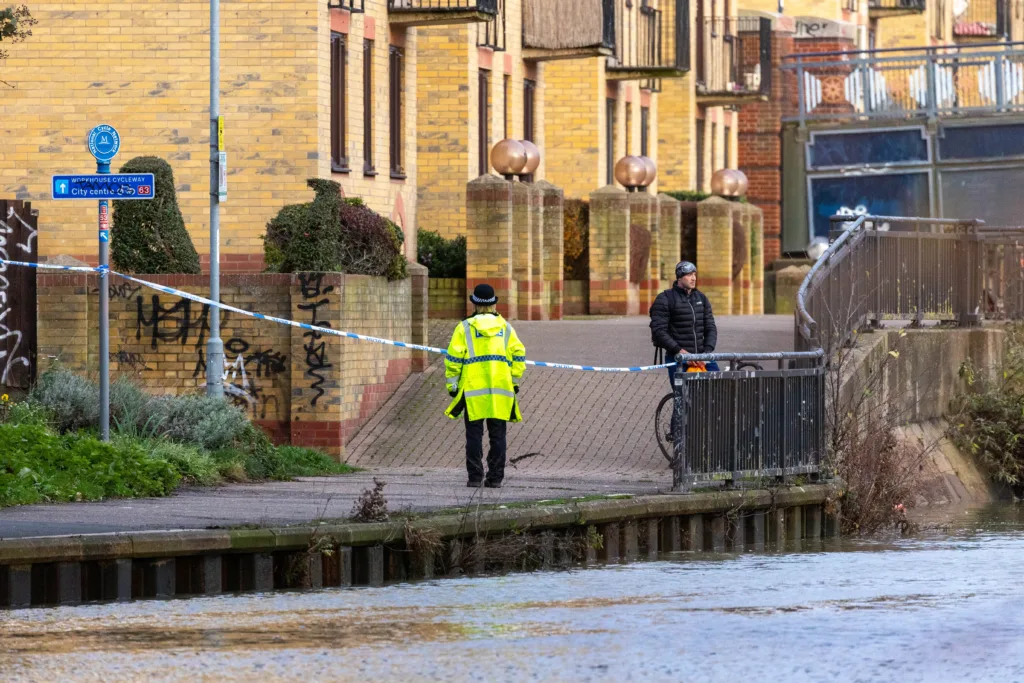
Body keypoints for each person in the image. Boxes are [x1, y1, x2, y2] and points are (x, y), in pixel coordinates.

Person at [444, 283, 526, 489]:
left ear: (475, 304)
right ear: (493, 303)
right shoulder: (505, 327)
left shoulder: (464, 328)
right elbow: (519, 354)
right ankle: (496, 478)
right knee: (498, 436)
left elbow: (453, 359)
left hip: (473, 390)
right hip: (501, 390)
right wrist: (514, 381)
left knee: (474, 435)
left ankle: (474, 477)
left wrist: (452, 385)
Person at [649, 260, 719, 385]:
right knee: (684, 398)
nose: (693, 278)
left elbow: (710, 327)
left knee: (719, 390)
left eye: (694, 274)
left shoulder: (701, 298)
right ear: (680, 278)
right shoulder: (665, 298)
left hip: (702, 357)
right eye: (689, 275)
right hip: (678, 358)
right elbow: (659, 330)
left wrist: (706, 353)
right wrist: (681, 352)